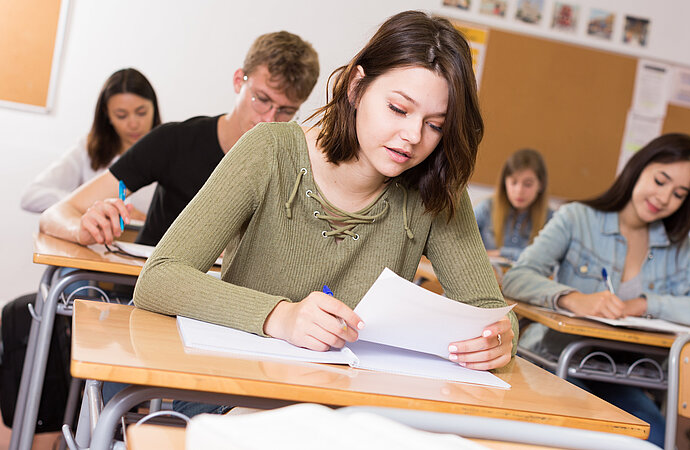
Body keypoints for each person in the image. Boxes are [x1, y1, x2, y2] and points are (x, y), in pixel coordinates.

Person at [133, 11, 517, 377]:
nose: (414, 137)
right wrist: (280, 317)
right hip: (235, 382)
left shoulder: (433, 188)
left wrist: (500, 338)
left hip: (348, 402)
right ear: (356, 87)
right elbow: (160, 277)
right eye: (398, 109)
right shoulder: (270, 150)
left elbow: (491, 310)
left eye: (435, 125)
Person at [502, 133, 690, 447]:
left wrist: (645, 303)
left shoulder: (680, 249)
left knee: (654, 441)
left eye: (679, 193)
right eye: (660, 180)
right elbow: (517, 278)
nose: (664, 197)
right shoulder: (577, 218)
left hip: (624, 374)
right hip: (558, 361)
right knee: (578, 436)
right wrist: (574, 299)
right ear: (638, 168)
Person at [39, 31, 320, 247]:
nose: (268, 120)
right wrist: (81, 228)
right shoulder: (175, 142)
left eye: (286, 111)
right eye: (262, 99)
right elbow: (56, 213)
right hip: (144, 299)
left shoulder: (294, 167)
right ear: (239, 80)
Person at [21, 68, 161, 216]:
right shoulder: (89, 149)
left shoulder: (169, 153)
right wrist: (87, 204)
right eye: (121, 115)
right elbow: (31, 196)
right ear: (107, 115)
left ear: (154, 108)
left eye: (141, 113)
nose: (133, 124)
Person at [474, 148, 551, 261]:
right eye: (514, 182)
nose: (519, 191)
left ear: (541, 185)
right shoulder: (486, 208)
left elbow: (546, 259)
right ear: (505, 183)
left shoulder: (551, 220)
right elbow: (457, 242)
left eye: (528, 184)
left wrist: (500, 253)